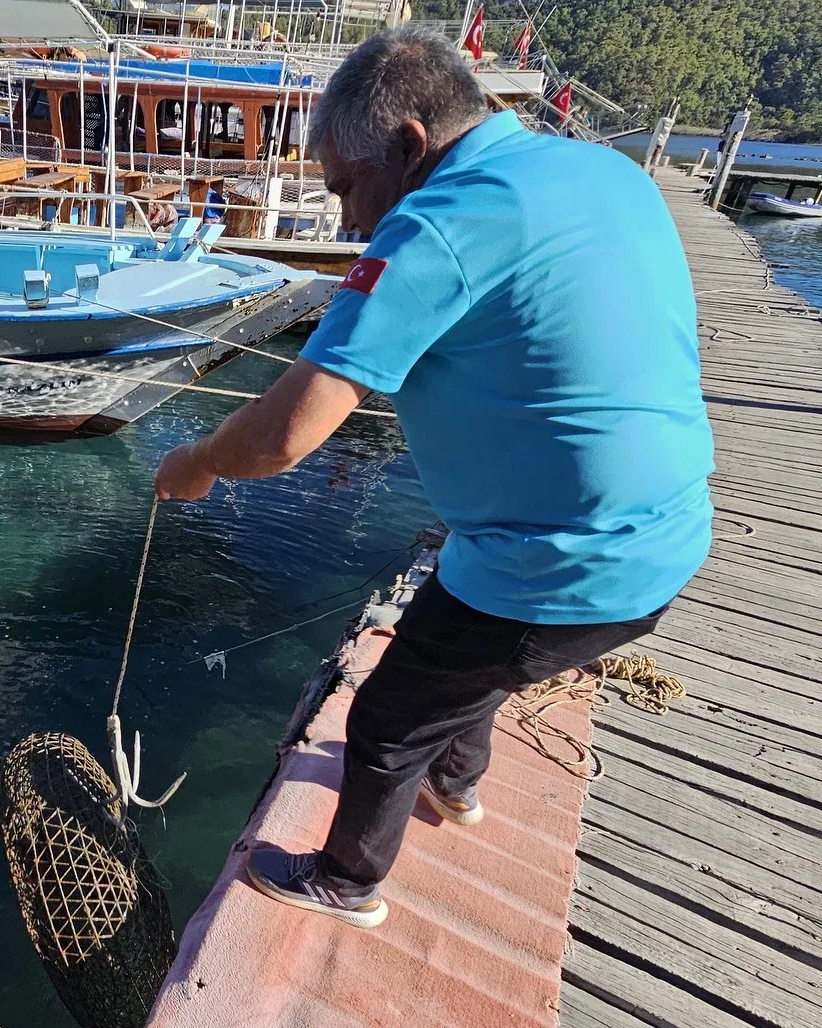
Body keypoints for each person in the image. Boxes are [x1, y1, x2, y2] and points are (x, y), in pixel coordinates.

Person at [153, 27, 713, 930]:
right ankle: (457, 788)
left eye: (343, 187)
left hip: (562, 566)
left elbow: (286, 435)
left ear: (410, 146)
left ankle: (347, 882)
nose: (344, 223)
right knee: (462, 657)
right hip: (669, 536)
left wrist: (198, 461)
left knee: (387, 720)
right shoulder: (607, 173)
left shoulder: (435, 225)